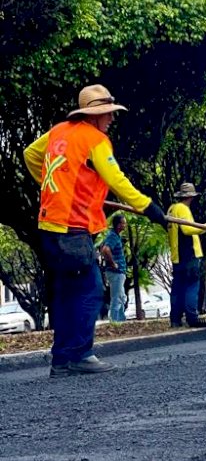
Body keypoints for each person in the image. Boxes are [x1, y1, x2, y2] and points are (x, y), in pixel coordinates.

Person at [23, 84, 168, 377]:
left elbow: (30, 155)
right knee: (90, 290)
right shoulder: (95, 139)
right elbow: (118, 180)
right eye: (107, 114)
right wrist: (149, 208)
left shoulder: (59, 132)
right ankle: (81, 354)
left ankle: (61, 360)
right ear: (94, 116)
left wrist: (52, 183)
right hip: (73, 228)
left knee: (65, 293)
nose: (111, 119)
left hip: (49, 226)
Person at [167, 182, 206, 328]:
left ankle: (175, 319)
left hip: (177, 256)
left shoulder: (171, 209)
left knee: (178, 288)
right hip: (189, 254)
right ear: (191, 197)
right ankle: (192, 317)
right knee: (192, 285)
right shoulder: (182, 209)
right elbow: (187, 229)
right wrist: (204, 228)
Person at [99, 213, 128, 323]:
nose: (125, 225)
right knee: (117, 297)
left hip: (118, 272)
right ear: (118, 224)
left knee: (121, 296)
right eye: (123, 223)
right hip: (116, 272)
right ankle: (115, 320)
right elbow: (106, 249)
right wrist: (113, 263)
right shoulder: (112, 236)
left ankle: (120, 319)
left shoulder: (114, 236)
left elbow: (102, 247)